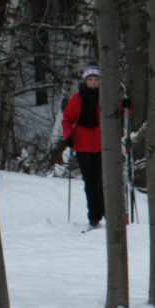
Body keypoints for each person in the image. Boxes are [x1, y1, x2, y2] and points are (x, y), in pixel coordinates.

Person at [52, 66, 105, 228]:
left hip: (104, 146)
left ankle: (107, 212)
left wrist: (126, 103)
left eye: (96, 79)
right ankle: (94, 217)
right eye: (90, 79)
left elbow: (123, 112)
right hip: (82, 146)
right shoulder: (77, 99)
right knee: (90, 182)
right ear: (85, 81)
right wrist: (68, 137)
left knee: (103, 182)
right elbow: (67, 119)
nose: (93, 82)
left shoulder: (106, 97)